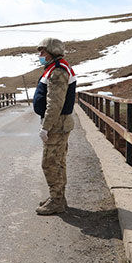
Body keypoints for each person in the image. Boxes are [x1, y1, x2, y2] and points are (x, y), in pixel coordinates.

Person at [32, 37, 76, 215]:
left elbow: (55, 103)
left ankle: (57, 201)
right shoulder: (55, 68)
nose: (40, 55)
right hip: (58, 124)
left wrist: (46, 127)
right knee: (58, 162)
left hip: (57, 125)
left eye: (43, 52)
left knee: (50, 163)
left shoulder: (58, 71)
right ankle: (58, 197)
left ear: (52, 52)